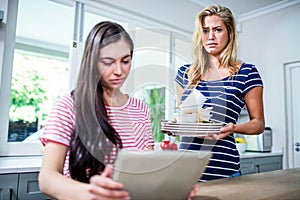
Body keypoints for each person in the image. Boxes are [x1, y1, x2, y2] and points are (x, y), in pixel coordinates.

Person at [38, 21, 197, 200]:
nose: (119, 71)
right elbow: (47, 178)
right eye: (108, 62)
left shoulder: (140, 109)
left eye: (125, 61)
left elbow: (145, 171)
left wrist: (168, 187)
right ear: (92, 62)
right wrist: (95, 194)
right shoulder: (69, 106)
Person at [175, 5, 265, 182]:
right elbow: (185, 118)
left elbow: (259, 123)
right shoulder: (185, 73)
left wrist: (234, 128)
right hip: (184, 171)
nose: (210, 37)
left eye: (217, 30)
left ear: (229, 33)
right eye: (205, 30)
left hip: (223, 170)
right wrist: (174, 125)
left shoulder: (246, 72)